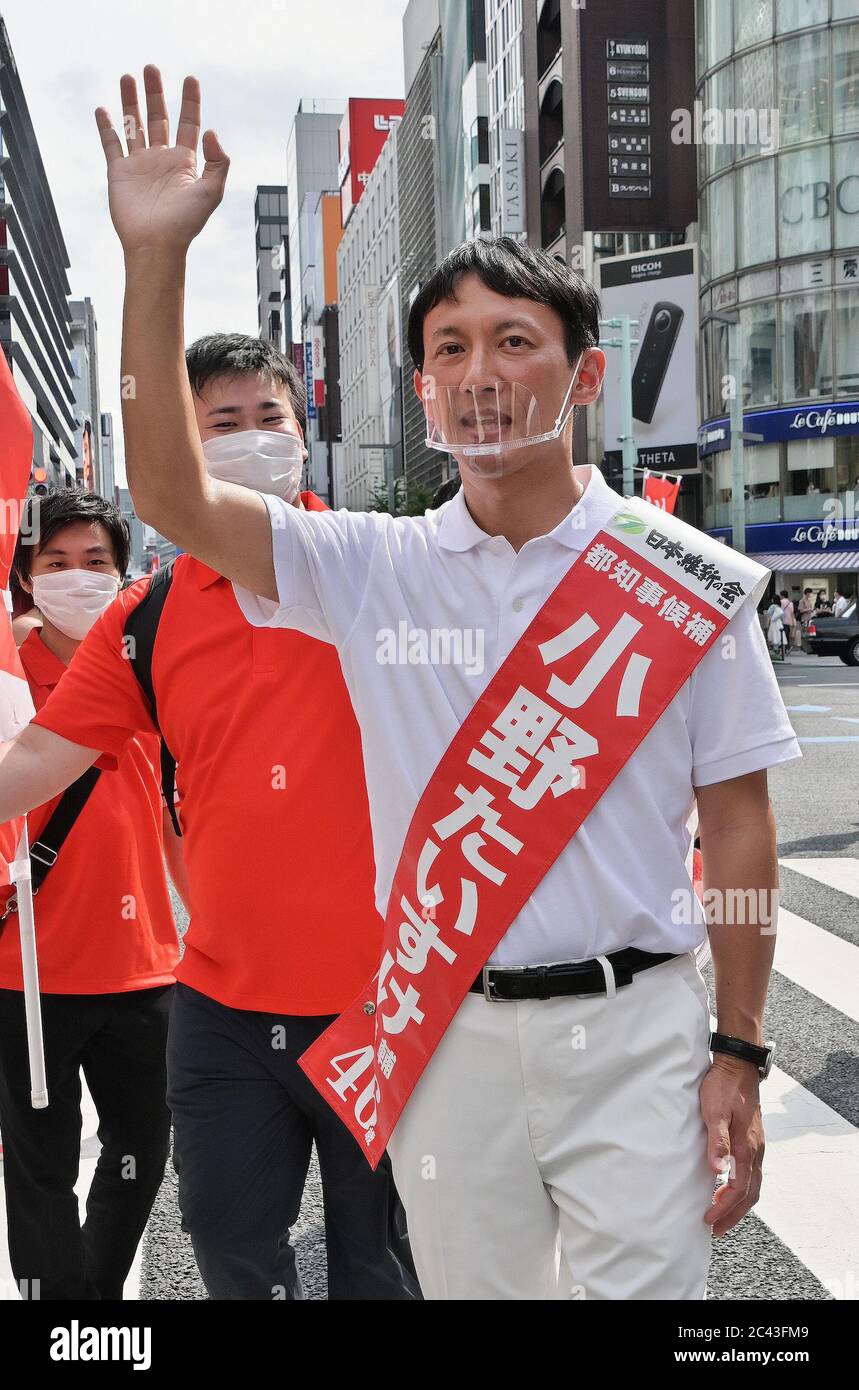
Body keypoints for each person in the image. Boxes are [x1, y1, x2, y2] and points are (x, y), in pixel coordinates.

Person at [89, 68, 802, 1300]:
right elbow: (169, 499)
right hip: (442, 1029)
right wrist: (155, 261)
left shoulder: (683, 580)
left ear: (582, 375)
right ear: (422, 388)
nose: (478, 373)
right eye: (448, 349)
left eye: (513, 342)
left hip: (635, 1028)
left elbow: (739, 830)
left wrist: (738, 1044)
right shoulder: (375, 565)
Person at [0, 338, 419, 1303]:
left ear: (304, 436)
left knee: (383, 1265)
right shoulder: (145, 618)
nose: (247, 443)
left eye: (267, 419)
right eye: (216, 426)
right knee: (233, 1253)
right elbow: (30, 765)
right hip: (224, 1015)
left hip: (388, 1006)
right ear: (178, 451)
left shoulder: (383, 571)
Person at [0, 489, 182, 1300]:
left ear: (125, 571)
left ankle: (91, 1300)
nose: (78, 579)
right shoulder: (6, 678)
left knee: (142, 1147)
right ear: (26, 579)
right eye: (56, 563)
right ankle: (63, 1322)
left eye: (96, 563)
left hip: (147, 963)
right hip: (26, 969)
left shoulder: (158, 660)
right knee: (38, 1165)